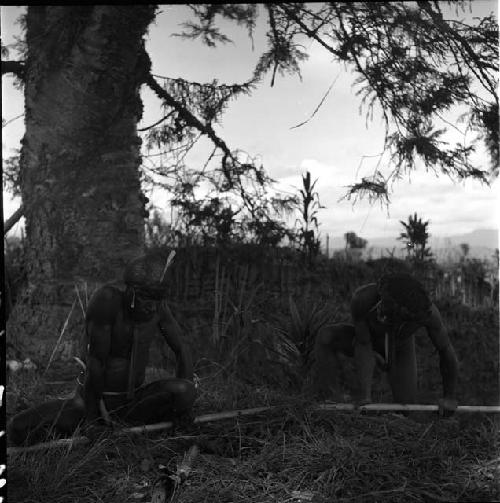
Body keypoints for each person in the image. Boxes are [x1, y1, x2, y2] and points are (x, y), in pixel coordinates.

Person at [8, 251, 196, 446]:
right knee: (17, 428)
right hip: (94, 402)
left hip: (133, 404)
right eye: (146, 300)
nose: (152, 308)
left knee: (185, 390)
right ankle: (89, 424)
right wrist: (93, 420)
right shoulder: (107, 301)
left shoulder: (158, 307)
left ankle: (132, 424)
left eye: (157, 301)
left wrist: (184, 408)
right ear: (131, 291)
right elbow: (95, 361)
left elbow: (182, 348)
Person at [312, 272, 459, 415]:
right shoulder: (363, 299)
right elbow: (364, 343)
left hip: (400, 347)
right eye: (382, 304)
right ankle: (331, 399)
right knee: (326, 336)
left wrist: (449, 397)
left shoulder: (427, 314)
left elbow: (445, 350)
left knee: (407, 408)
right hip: (367, 340)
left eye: (388, 311)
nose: (381, 312)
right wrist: (365, 397)